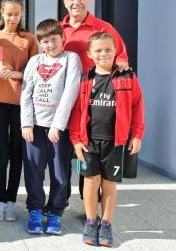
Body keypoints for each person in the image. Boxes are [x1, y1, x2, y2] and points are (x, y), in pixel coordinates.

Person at [69, 32, 145, 247]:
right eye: (99, 50)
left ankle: (106, 223)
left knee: (109, 184)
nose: (104, 54)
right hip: (89, 141)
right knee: (91, 182)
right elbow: (77, 111)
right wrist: (76, 139)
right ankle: (91, 222)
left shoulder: (127, 77)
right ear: (90, 54)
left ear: (115, 52)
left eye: (108, 50)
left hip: (115, 141)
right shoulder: (85, 80)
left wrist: (137, 134)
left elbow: (138, 106)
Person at [61, 0, 130, 207]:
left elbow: (120, 57)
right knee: (62, 155)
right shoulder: (59, 31)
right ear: (65, 1)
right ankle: (59, 202)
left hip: (92, 103)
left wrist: (120, 64)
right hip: (62, 102)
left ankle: (89, 206)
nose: (76, 2)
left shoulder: (104, 28)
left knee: (89, 156)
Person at [20, 19, 82, 235]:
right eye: (45, 42)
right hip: (34, 127)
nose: (50, 45)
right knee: (33, 171)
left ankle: (55, 211)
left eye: (53, 40)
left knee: (59, 172)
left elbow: (70, 92)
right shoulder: (34, 61)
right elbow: (26, 93)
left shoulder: (71, 59)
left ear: (61, 38)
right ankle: (35, 210)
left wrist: (57, 125)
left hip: (59, 128)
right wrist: (26, 123)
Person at [0, 0, 38, 222]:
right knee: (1, 151)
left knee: (17, 153)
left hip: (21, 102)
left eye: (17, 14)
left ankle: (11, 201)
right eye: (9, 14)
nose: (13, 18)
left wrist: (17, 74)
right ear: (2, 14)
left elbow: (37, 72)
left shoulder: (30, 39)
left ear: (21, 14)